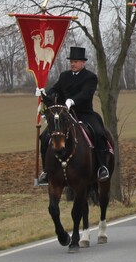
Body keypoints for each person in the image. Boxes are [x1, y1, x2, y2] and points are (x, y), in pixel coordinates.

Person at [37, 47, 110, 185]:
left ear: (83, 63)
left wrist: (72, 100)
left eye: (75, 61)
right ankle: (46, 170)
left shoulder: (90, 77)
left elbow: (86, 93)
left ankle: (102, 167)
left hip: (85, 113)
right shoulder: (64, 76)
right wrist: (44, 94)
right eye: (71, 61)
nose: (72, 64)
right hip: (66, 114)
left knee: (99, 133)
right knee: (45, 136)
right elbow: (55, 89)